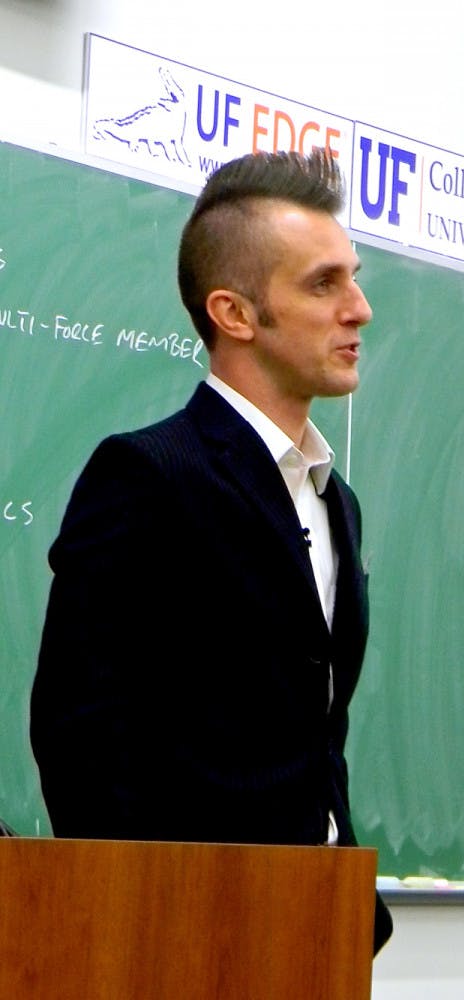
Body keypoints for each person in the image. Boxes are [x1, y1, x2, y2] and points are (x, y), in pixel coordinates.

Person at [30, 150, 392, 954]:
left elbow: (313, 730)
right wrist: (144, 927)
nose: (360, 308)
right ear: (234, 312)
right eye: (323, 284)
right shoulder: (149, 475)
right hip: (178, 932)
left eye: (354, 278)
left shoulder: (338, 502)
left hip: (317, 927)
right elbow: (80, 735)